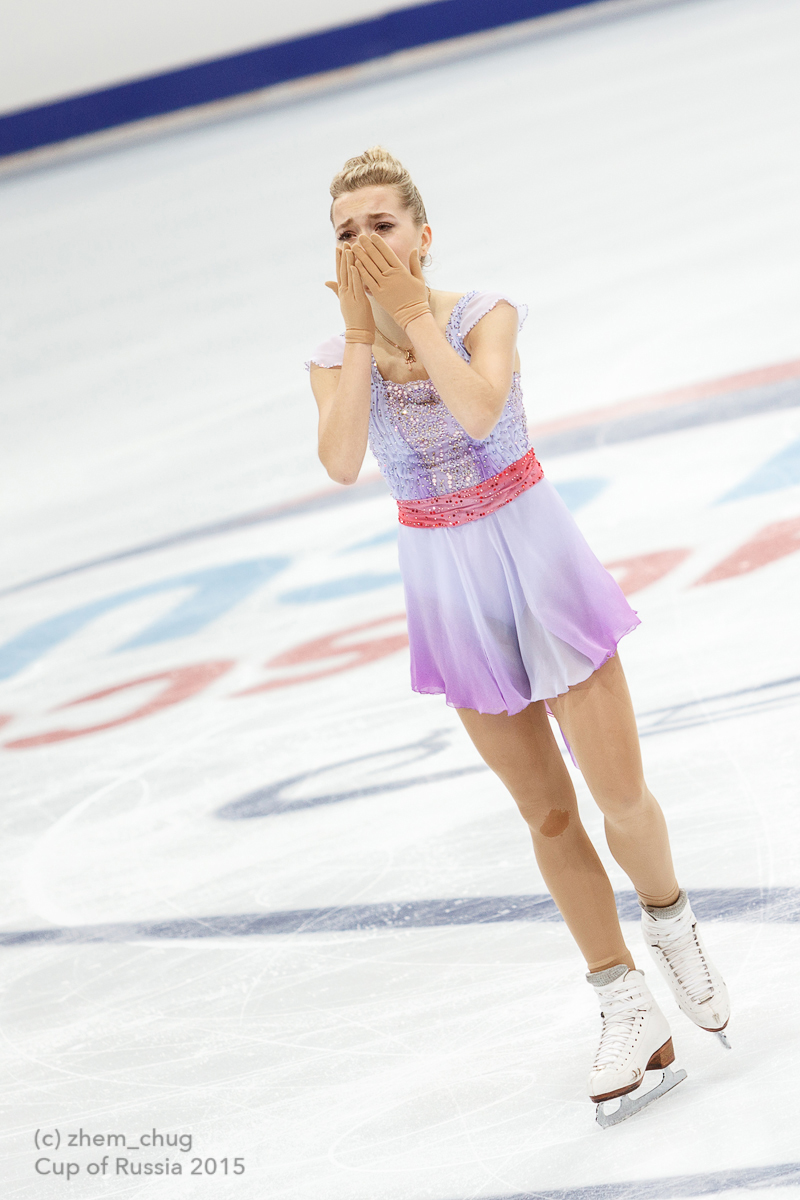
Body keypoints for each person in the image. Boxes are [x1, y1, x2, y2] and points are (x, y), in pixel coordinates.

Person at [307, 146, 730, 1123]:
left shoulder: (477, 313)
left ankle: (672, 925)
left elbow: (479, 407)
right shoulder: (334, 357)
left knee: (618, 796)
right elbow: (337, 462)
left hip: (532, 550)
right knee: (545, 814)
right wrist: (360, 336)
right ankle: (623, 1001)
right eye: (344, 233)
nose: (364, 244)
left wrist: (409, 310)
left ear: (420, 232)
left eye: (380, 225)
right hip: (445, 578)